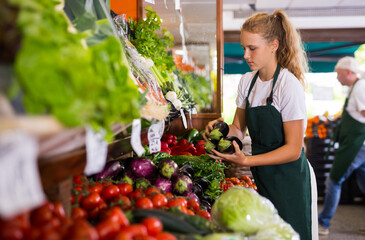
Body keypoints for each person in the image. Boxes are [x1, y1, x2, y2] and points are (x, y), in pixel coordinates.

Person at [204, 10, 318, 240]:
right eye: (244, 47)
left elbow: (294, 149)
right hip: (263, 175)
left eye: (252, 48)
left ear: (274, 45)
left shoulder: (288, 85)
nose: (245, 55)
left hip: (290, 180)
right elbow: (238, 128)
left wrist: (247, 160)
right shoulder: (247, 82)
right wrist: (220, 130)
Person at [318, 57, 365, 235]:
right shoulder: (354, 88)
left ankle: (323, 223)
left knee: (334, 180)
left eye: (338, 74)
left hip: (356, 145)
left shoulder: (360, 88)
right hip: (356, 144)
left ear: (349, 72)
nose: (337, 77)